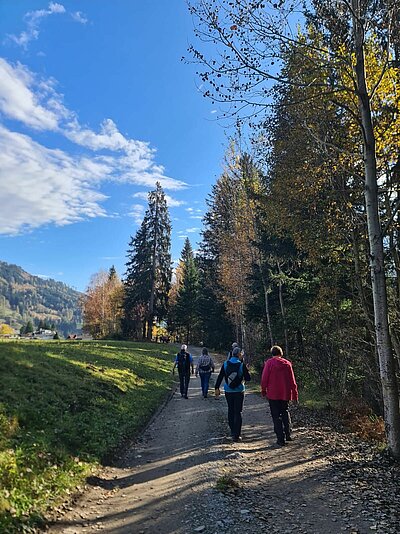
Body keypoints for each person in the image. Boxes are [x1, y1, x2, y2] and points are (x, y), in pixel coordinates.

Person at [261, 345, 298, 446]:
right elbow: (292, 381)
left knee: (276, 416)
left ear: (272, 353)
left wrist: (264, 390)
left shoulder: (269, 363)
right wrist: (295, 395)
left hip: (273, 394)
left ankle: (280, 439)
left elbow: (264, 379)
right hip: (285, 393)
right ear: (281, 353)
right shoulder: (287, 364)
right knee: (285, 412)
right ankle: (288, 434)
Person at [215, 346, 251, 442]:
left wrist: (216, 387)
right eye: (241, 354)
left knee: (230, 410)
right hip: (239, 391)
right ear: (239, 355)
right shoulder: (241, 365)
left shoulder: (226, 364)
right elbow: (248, 378)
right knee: (238, 412)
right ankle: (237, 435)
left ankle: (232, 431)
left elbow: (220, 376)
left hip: (228, 391)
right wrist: (247, 370)